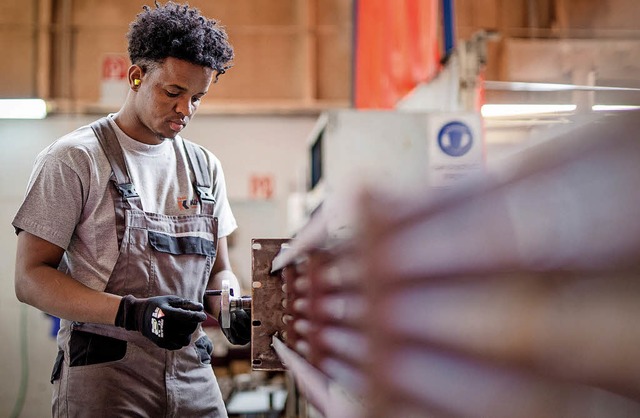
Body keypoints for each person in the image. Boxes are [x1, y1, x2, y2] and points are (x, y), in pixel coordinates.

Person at [12, 2, 250, 416]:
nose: (185, 110)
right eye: (173, 92)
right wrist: (133, 312)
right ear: (137, 76)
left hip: (192, 371)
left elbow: (220, 271)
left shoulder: (204, 167)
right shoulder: (75, 159)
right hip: (106, 374)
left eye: (198, 97)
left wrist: (230, 305)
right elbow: (30, 278)